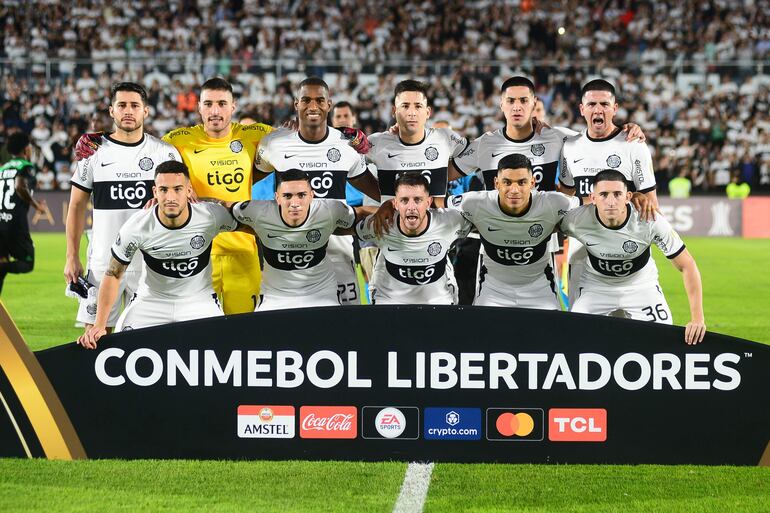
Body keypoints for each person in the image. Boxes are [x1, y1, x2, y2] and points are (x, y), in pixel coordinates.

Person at [77, 161, 239, 349]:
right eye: (163, 190)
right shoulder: (137, 226)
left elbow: (248, 225)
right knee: (122, 348)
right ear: (155, 192)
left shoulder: (211, 216)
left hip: (198, 301)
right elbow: (113, 274)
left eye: (177, 189)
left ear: (189, 191)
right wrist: (100, 324)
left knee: (223, 349)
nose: (170, 197)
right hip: (152, 300)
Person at [65, 82, 181, 334]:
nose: (128, 111)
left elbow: (181, 202)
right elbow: (76, 205)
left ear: (146, 111)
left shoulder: (165, 153)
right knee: (96, 334)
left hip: (151, 263)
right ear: (111, 111)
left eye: (135, 105)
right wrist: (71, 256)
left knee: (151, 337)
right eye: (122, 105)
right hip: (103, 261)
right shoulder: (93, 153)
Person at [254, 77, 381, 306]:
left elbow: (375, 188)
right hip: (290, 252)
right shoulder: (274, 143)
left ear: (329, 105)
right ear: (296, 105)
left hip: (338, 250)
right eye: (306, 100)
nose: (313, 107)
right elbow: (248, 180)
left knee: (344, 326)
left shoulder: (345, 144)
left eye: (319, 100)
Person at [559, 170, 705, 345]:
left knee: (663, 340)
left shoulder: (649, 220)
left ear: (628, 196)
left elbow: (687, 264)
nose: (611, 202)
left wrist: (698, 319)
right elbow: (544, 224)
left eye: (617, 194)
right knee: (576, 338)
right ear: (593, 198)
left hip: (641, 286)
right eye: (604, 194)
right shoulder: (576, 220)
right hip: (596, 287)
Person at [559, 79, 659, 306]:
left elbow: (650, 204)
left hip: (624, 250)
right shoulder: (570, 147)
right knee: (581, 323)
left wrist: (595, 203)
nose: (598, 109)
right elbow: (564, 198)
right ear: (582, 109)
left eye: (604, 104)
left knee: (628, 326)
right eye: (592, 104)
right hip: (581, 251)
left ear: (615, 108)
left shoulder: (634, 145)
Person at [447, 153, 580, 309]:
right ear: (496, 183)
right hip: (492, 289)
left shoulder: (555, 203)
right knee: (483, 331)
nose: (514, 189)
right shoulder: (475, 203)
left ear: (532, 182)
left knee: (550, 332)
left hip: (540, 288)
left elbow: (590, 209)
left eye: (522, 182)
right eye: (507, 182)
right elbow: (436, 206)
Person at [232, 170, 371, 311]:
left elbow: (361, 214)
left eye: (301, 195)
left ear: (312, 195)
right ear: (277, 197)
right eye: (287, 196)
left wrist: (388, 208)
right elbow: (224, 209)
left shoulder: (330, 210)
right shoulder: (258, 211)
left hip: (322, 294)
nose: (294, 203)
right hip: (275, 298)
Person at [355, 172, 472, 305]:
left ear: (428, 202)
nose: (411, 207)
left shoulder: (449, 221)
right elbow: (345, 225)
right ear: (395, 204)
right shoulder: (381, 224)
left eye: (418, 200)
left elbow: (481, 222)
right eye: (404, 200)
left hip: (438, 300)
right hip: (389, 299)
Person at [366, 80, 469, 207]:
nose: (412, 112)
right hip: (393, 224)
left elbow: (476, 153)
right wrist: (379, 196)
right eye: (405, 106)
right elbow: (347, 160)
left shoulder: (445, 138)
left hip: (437, 223)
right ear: (394, 111)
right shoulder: (377, 142)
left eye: (418, 106)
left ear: (428, 112)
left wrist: (446, 174)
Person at [0, 132, 46, 294]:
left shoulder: (3, 168)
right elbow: (20, 186)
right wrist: (36, 206)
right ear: (26, 149)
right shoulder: (25, 166)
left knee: (3, 262)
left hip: (0, 222)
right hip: (15, 225)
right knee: (27, 262)